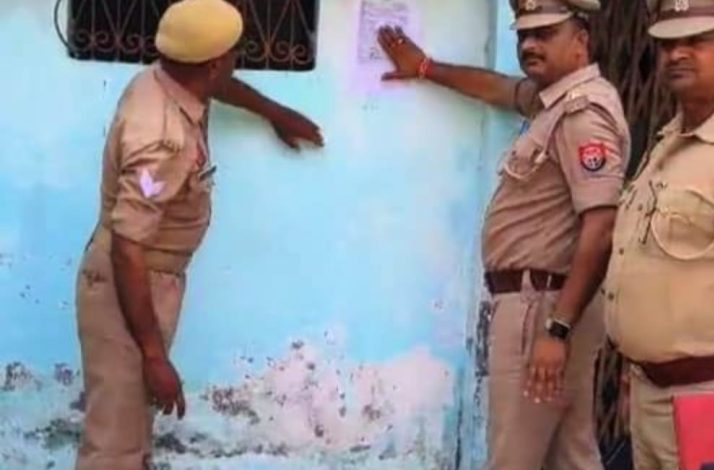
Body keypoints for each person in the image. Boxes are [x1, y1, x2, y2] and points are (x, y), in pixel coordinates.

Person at [377, 0, 630, 468]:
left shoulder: (582, 115)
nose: (530, 44)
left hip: (543, 307)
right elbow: (499, 88)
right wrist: (426, 68)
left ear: (581, 41)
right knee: (570, 456)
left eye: (545, 34)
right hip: (548, 303)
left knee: (513, 456)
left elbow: (602, 227)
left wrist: (556, 329)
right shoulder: (555, 102)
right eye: (524, 35)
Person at [74, 0, 324, 468]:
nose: (235, 61)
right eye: (233, 55)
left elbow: (219, 87)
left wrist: (274, 111)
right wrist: (154, 356)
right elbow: (128, 248)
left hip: (145, 280)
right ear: (213, 64)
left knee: (132, 433)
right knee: (114, 444)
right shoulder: (161, 140)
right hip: (127, 283)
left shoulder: (164, 79)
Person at [603, 0, 714, 469]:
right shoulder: (667, 144)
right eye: (667, 44)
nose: (676, 54)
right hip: (651, 400)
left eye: (697, 41)